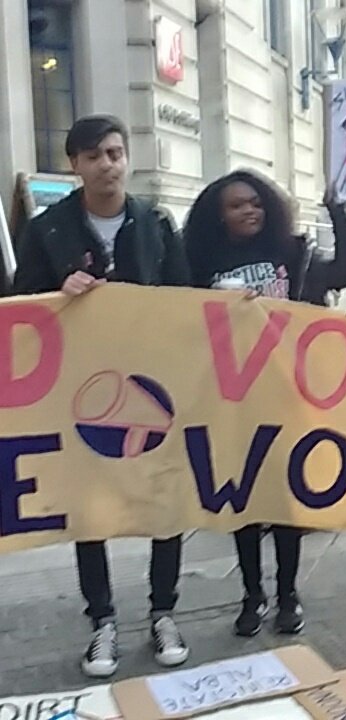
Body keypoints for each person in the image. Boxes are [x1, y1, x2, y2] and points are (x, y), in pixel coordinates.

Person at [11, 115, 191, 678]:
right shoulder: (47, 229)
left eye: (114, 153)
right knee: (87, 500)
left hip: (153, 381)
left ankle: (163, 611)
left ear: (126, 158)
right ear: (75, 165)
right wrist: (57, 291)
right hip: (80, 385)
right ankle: (102, 621)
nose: (106, 165)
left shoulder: (156, 222)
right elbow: (21, 304)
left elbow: (186, 298)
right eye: (93, 156)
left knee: (164, 494)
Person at [183, 169, 346, 637]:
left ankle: (287, 595)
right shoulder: (200, 262)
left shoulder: (294, 254)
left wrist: (338, 211)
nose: (249, 210)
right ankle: (251, 596)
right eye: (237, 205)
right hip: (232, 397)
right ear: (219, 215)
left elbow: (345, 271)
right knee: (243, 500)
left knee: (284, 500)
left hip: (287, 393)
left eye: (256, 202)